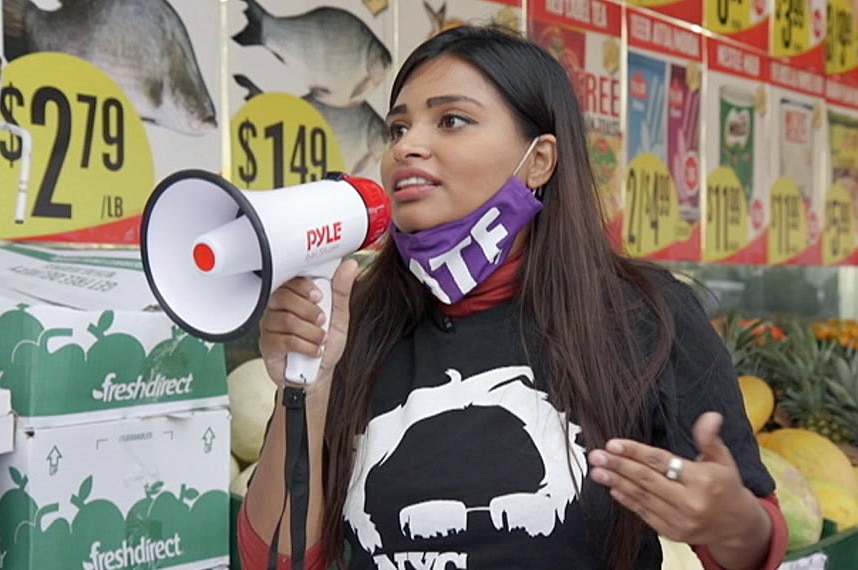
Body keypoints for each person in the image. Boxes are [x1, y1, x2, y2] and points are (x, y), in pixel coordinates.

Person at [238, 24, 788, 570]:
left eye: (451, 120)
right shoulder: (353, 322)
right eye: (397, 127)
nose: (407, 146)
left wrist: (732, 521)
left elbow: (752, 543)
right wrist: (307, 387)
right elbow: (275, 559)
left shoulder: (647, 316)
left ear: (539, 160)